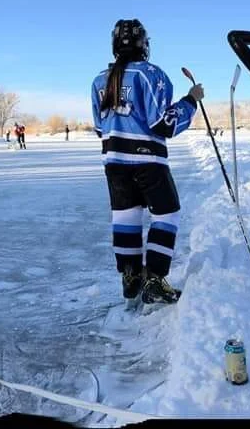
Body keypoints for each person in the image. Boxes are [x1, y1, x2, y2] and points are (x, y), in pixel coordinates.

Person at [90, 18, 202, 305]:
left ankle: (130, 276)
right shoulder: (150, 74)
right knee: (167, 214)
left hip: (113, 160)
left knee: (126, 215)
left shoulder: (99, 79)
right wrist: (190, 101)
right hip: (147, 160)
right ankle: (154, 278)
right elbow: (162, 124)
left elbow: (101, 127)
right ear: (144, 44)